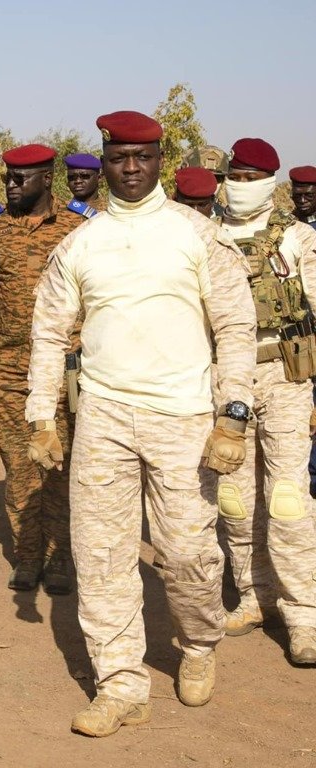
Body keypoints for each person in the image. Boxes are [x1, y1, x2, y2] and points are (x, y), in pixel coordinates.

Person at [26, 110, 256, 736]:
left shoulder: (196, 233)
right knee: (101, 555)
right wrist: (41, 417)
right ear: (103, 161)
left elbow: (237, 326)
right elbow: (47, 333)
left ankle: (200, 645)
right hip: (102, 416)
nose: (131, 169)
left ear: (160, 160)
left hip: (184, 418)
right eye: (119, 157)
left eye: (143, 158)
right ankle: (120, 681)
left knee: (187, 554)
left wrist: (232, 417)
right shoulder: (81, 243)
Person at [214, 138, 316, 665]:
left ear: (271, 182)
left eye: (253, 176)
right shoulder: (207, 237)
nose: (241, 183)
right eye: (235, 173)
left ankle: (304, 615)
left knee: (289, 499)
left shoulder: (297, 238)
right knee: (233, 498)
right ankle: (254, 596)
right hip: (226, 378)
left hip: (285, 377)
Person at [0, 143, 86, 595]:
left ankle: (60, 554)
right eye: (8, 176)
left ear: (47, 179)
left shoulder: (80, 230)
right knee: (19, 464)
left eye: (20, 178)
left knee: (61, 463)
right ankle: (28, 554)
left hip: (66, 371)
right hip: (8, 368)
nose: (10, 184)